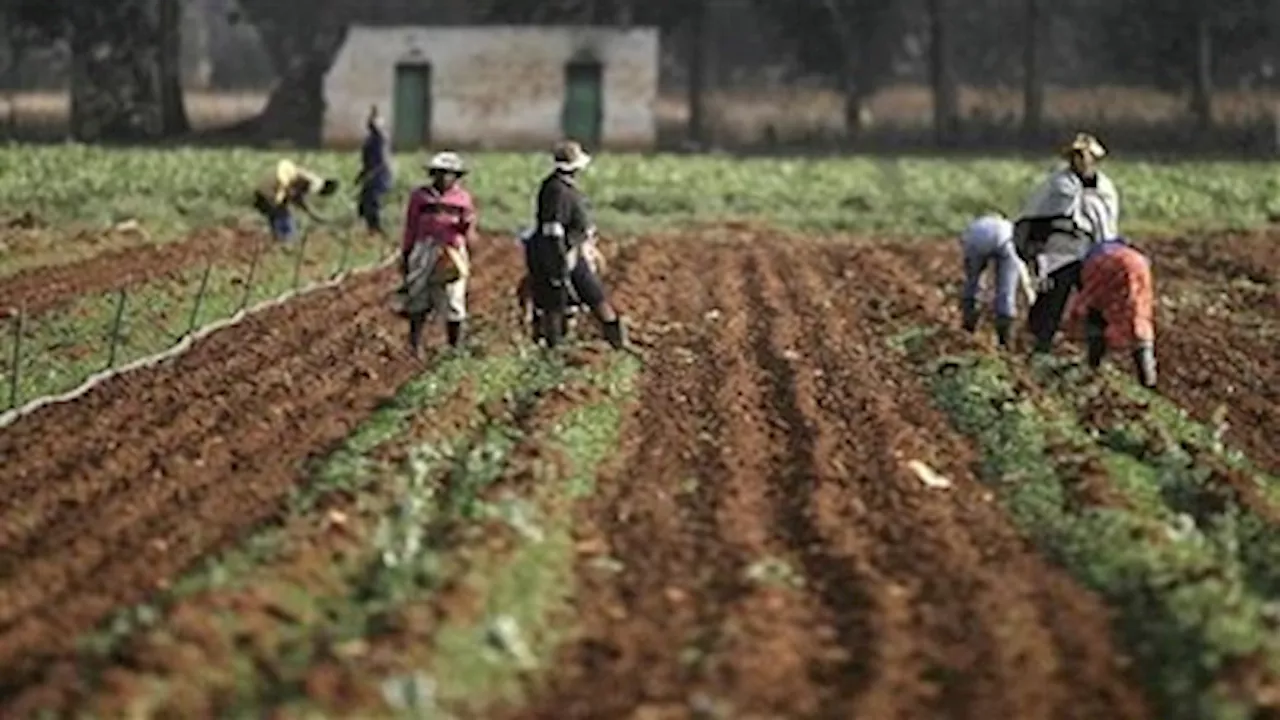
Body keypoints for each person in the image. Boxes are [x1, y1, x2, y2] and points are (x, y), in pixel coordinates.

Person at [1013, 132, 1119, 353]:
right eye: (1075, 156)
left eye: (1084, 155)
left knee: (1095, 303)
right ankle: (1039, 348)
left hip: (1092, 252)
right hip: (1059, 251)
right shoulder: (1057, 185)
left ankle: (1095, 355)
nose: (1079, 160)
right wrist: (1031, 248)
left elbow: (1107, 225)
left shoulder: (1105, 189)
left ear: (1094, 159)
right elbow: (1036, 216)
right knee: (1051, 300)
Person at [524, 140, 627, 350]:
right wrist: (558, 263)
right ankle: (554, 348)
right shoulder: (556, 190)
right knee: (555, 303)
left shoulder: (565, 187)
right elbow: (552, 229)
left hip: (571, 252)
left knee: (594, 296)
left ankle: (617, 343)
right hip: (557, 254)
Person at [399, 151, 476, 356]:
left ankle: (454, 346)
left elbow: (469, 230)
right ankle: (415, 344)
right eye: (440, 173)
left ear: (456, 176)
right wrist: (406, 252)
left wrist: (465, 229)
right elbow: (411, 226)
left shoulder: (462, 199)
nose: (444, 178)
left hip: (451, 249)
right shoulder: (420, 197)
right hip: (425, 247)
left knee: (453, 297)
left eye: (449, 174)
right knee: (418, 294)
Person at [1063, 236, 1157, 388]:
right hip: (1139, 264)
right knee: (1138, 313)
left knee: (1095, 310)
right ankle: (1148, 374)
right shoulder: (1118, 245)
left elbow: (1086, 297)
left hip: (1104, 265)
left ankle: (1094, 363)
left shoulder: (1084, 256)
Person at [958, 213, 1036, 348]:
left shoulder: (975, 226)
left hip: (978, 241)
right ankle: (1004, 341)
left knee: (973, 284)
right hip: (1006, 241)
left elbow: (968, 263)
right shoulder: (1008, 227)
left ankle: (968, 328)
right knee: (1006, 293)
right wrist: (1030, 295)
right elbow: (1021, 267)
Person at [253, 159, 339, 242]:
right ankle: (286, 243)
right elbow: (295, 196)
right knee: (285, 222)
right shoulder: (308, 181)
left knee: (278, 219)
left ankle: (279, 242)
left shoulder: (304, 178)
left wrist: (316, 216)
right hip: (269, 194)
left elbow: (297, 198)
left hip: (263, 194)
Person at [355, 106, 393, 236]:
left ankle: (377, 229)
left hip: (380, 176)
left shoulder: (380, 138)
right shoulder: (370, 138)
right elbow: (368, 160)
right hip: (372, 175)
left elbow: (381, 160)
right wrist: (361, 174)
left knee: (373, 201)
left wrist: (371, 174)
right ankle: (370, 228)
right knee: (364, 202)